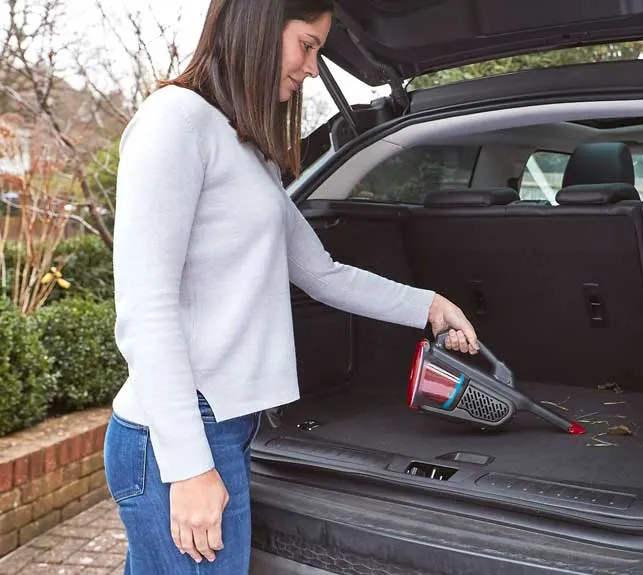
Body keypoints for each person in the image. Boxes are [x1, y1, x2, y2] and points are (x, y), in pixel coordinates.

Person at [102, 0, 480, 572]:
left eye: (318, 52)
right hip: (177, 437)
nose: (310, 67)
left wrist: (429, 306)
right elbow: (145, 306)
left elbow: (321, 273)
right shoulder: (174, 120)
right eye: (307, 44)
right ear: (256, 24)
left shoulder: (246, 146)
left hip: (225, 426)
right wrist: (188, 466)